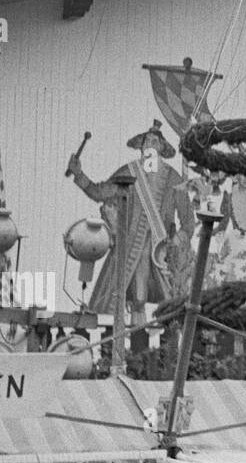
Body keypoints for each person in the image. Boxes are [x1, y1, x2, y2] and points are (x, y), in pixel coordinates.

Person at [67, 120, 196, 321]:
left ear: (162, 148)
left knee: (172, 304)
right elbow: (100, 192)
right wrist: (79, 174)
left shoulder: (173, 178)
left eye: (155, 141)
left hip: (161, 250)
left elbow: (188, 221)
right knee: (132, 297)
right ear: (141, 147)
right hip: (128, 247)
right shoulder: (128, 172)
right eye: (147, 141)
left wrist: (176, 242)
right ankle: (131, 342)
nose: (151, 144)